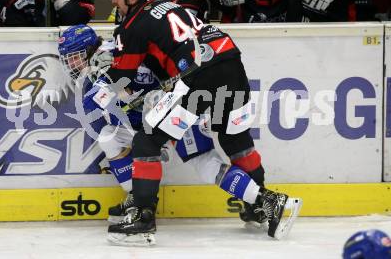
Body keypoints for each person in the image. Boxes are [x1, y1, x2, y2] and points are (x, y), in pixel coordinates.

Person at [97, 0, 302, 246]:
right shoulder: (169, 6)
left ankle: (143, 219)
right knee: (234, 137)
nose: (114, 0)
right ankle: (260, 206)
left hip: (199, 73)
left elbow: (122, 79)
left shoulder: (132, 25)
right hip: (229, 60)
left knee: (147, 142)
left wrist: (102, 74)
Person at [57, 24, 272, 229]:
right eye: (67, 60)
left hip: (180, 109)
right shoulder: (102, 62)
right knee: (108, 136)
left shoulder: (110, 58)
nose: (71, 65)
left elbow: (121, 89)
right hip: (157, 118)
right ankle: (137, 199)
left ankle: (265, 200)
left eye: (74, 58)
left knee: (205, 162)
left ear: (88, 50)